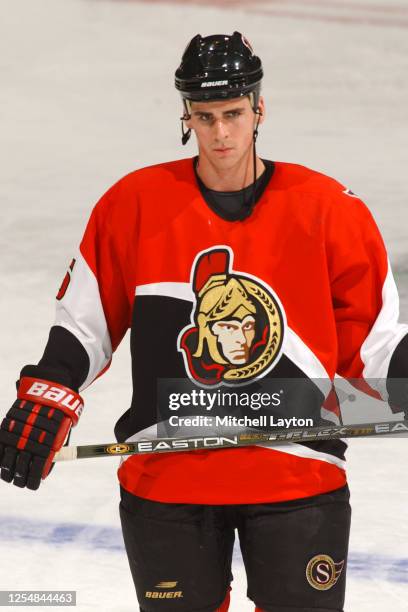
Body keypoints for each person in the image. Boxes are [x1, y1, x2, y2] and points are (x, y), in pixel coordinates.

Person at [1, 31, 407, 612]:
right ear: (186, 115)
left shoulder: (330, 210)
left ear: (260, 108)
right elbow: (86, 323)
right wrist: (51, 386)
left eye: (234, 114)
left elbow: (374, 346)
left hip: (298, 475)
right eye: (206, 116)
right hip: (168, 479)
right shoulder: (134, 203)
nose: (220, 133)